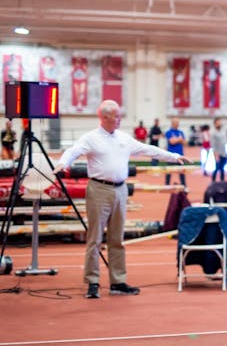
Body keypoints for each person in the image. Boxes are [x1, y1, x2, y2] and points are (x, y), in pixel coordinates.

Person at [53, 100, 191, 299]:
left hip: (120, 190)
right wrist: (63, 163)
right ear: (105, 117)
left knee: (117, 239)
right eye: (116, 115)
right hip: (98, 190)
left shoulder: (124, 138)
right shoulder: (91, 138)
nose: (120, 119)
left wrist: (173, 156)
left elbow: (147, 149)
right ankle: (92, 281)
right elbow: (73, 151)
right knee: (95, 238)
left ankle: (118, 281)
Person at [164, 117, 187, 186]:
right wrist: (179, 139)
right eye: (176, 122)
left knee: (182, 171)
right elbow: (171, 141)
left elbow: (185, 142)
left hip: (180, 155)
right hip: (171, 155)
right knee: (169, 171)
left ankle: (184, 185)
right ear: (172, 123)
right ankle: (167, 184)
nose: (177, 124)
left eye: (178, 122)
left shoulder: (181, 132)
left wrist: (177, 140)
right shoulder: (169, 132)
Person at [210, 117, 227, 182]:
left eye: (220, 122)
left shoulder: (223, 131)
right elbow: (213, 145)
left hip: (224, 153)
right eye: (218, 122)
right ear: (215, 123)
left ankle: (222, 183)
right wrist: (215, 154)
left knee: (222, 169)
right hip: (217, 153)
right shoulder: (212, 132)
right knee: (217, 168)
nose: (219, 123)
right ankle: (213, 182)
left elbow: (225, 141)